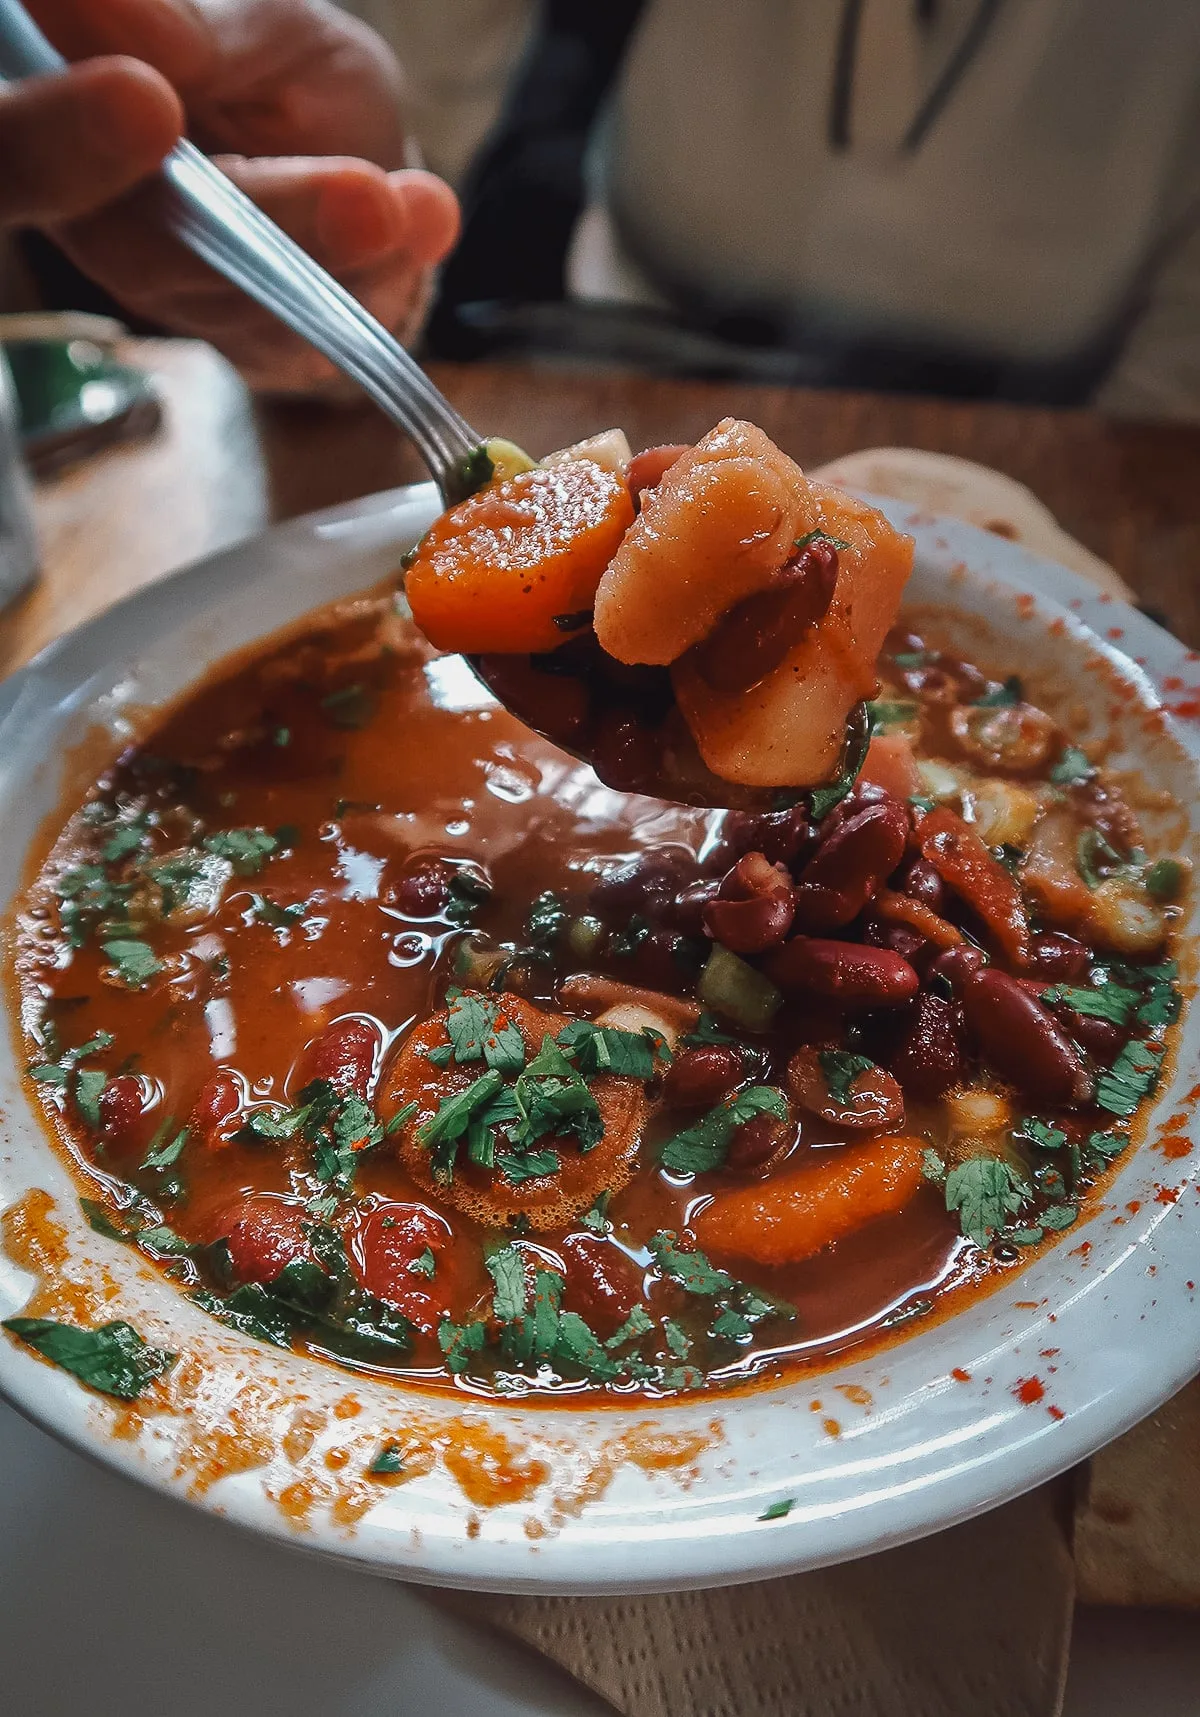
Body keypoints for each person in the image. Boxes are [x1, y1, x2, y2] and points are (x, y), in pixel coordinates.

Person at [2, 0, 1199, 417]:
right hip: (586, 383)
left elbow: (1162, 469)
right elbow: (411, 249)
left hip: (1063, 495)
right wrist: (347, 271)